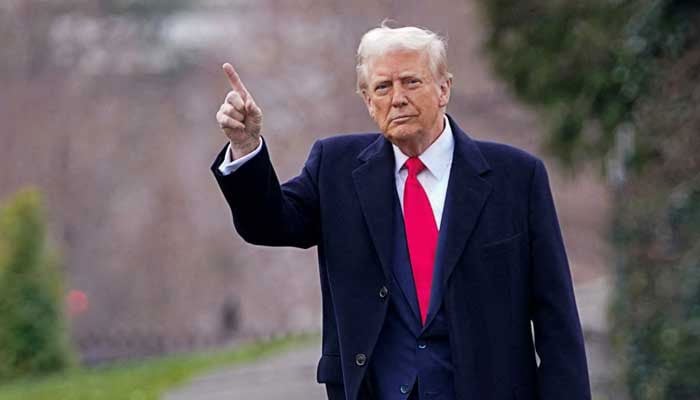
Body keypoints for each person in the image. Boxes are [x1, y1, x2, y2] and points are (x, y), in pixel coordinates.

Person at [211, 23, 591, 400]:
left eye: (411, 82)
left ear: (443, 89)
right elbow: (269, 223)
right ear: (366, 100)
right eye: (382, 87)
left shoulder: (516, 178)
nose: (397, 98)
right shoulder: (335, 168)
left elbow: (556, 319)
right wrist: (246, 148)